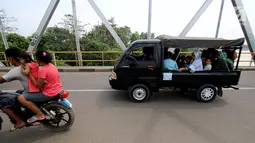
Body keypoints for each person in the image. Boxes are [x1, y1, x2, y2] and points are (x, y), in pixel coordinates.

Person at [17, 50, 63, 124]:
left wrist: (30, 75)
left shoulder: (43, 69)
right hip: (58, 89)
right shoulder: (52, 66)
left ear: (39, 59)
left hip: (48, 94)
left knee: (21, 98)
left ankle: (39, 114)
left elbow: (38, 85)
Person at [0, 48, 26, 129]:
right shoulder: (29, 64)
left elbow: (2, 79)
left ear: (11, 58)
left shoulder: (17, 70)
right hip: (37, 89)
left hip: (31, 92)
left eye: (8, 58)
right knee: (16, 93)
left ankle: (19, 121)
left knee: (2, 102)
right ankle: (21, 114)